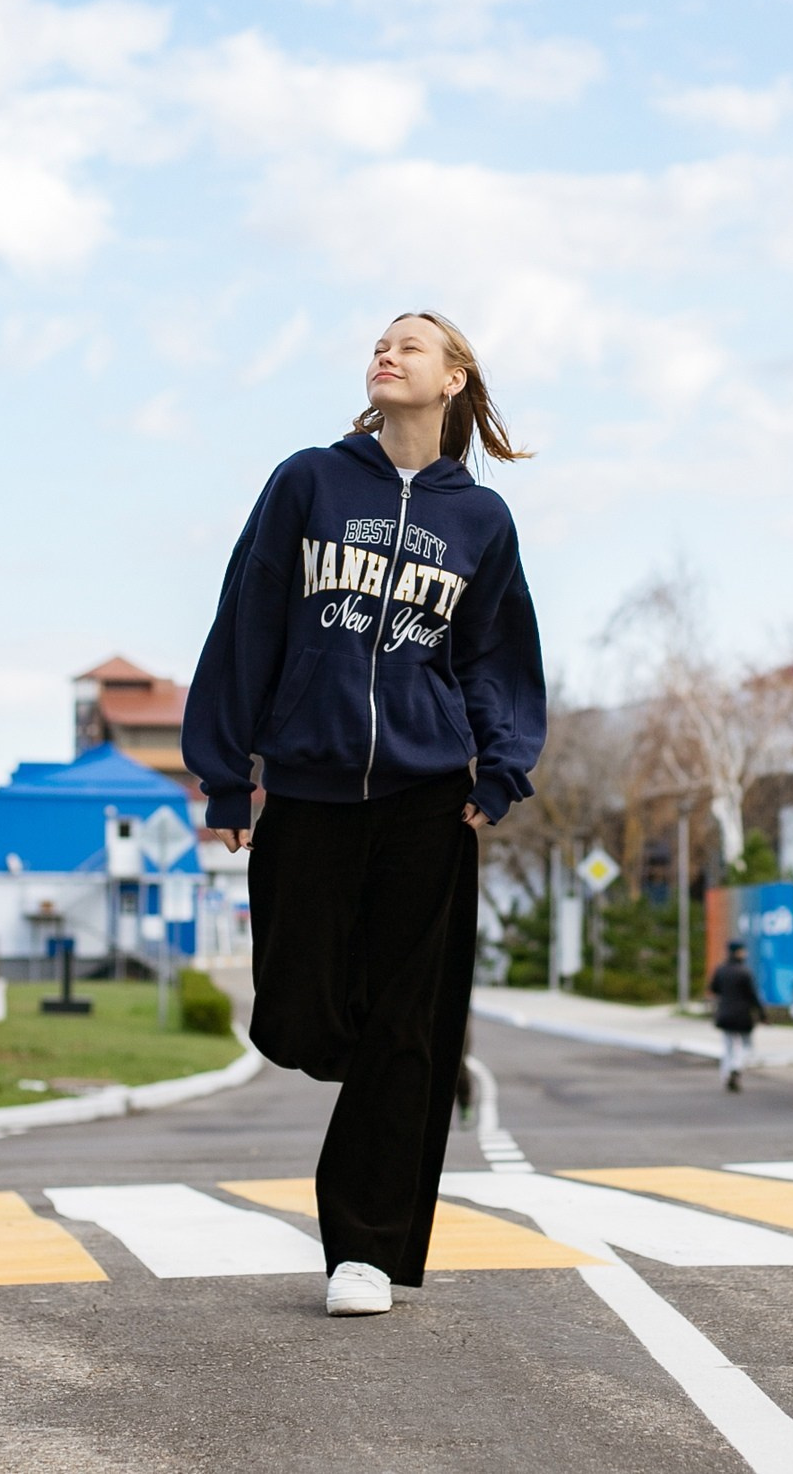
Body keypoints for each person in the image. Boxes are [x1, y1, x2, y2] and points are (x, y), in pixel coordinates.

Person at [183, 310, 545, 1320]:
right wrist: (226, 771)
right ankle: (369, 1054)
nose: (387, 353)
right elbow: (249, 617)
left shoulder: (481, 520)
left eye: (411, 344)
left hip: (428, 800)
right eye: (381, 343)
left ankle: (366, 1252)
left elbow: (495, 656)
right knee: (295, 1014)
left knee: (407, 1032)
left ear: (453, 378)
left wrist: (499, 770)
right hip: (308, 788)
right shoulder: (309, 481)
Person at [708, 939, 760, 1093]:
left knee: (728, 1048)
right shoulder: (744, 972)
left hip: (725, 1013)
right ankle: (736, 1068)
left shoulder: (721, 970)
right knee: (747, 1045)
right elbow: (753, 996)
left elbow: (713, 988)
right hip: (742, 1015)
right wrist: (762, 1014)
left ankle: (726, 1076)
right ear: (738, 952)